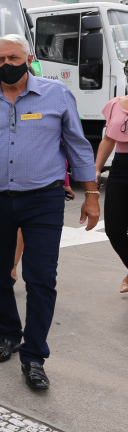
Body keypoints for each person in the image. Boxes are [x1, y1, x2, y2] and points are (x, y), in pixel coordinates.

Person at [0, 34, 98, 391]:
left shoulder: (56, 95)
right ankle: (9, 334)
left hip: (43, 200)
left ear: (28, 57)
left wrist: (91, 194)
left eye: (13, 58)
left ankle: (34, 356)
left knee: (41, 278)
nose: (7, 65)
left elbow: (78, 145)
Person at [94, 64, 128, 294]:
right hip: (121, 169)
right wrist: (95, 170)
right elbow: (108, 140)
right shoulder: (116, 104)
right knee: (114, 229)